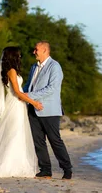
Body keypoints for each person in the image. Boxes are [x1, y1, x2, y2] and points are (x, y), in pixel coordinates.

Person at [0, 46, 43, 178]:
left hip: (18, 105)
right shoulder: (11, 71)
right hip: (14, 105)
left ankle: (16, 164)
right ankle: (7, 167)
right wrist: (34, 102)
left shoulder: (12, 70)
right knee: (14, 133)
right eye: (18, 55)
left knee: (16, 133)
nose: (20, 57)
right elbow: (17, 92)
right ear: (13, 56)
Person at [24, 41, 73, 180]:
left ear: (45, 50)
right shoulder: (34, 66)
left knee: (55, 140)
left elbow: (52, 88)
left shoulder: (55, 66)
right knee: (38, 141)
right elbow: (29, 85)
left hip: (50, 110)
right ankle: (45, 170)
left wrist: (30, 96)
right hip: (33, 109)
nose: (34, 52)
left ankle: (67, 169)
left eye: (36, 49)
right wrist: (19, 94)